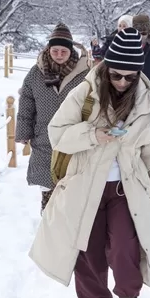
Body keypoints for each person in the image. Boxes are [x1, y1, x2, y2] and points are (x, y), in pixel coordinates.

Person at [29, 26, 150, 298]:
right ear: (106, 68)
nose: (122, 82)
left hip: (127, 189)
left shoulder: (145, 104)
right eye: (116, 75)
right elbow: (57, 134)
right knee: (88, 251)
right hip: (84, 187)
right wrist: (94, 135)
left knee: (126, 247)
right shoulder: (85, 94)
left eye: (129, 77)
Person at [15, 23, 93, 213]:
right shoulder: (36, 73)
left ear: (71, 51)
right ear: (48, 50)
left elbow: (94, 102)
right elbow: (27, 103)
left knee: (73, 185)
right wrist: (24, 132)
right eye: (55, 50)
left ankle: (72, 229)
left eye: (63, 51)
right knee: (48, 187)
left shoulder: (85, 73)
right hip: (44, 138)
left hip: (74, 137)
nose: (58, 54)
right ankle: (48, 227)